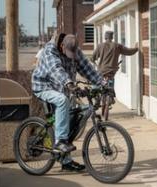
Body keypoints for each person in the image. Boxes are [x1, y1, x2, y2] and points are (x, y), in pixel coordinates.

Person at [32, 33, 107, 172]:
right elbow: (56, 70)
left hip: (64, 89)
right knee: (62, 101)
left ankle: (65, 161)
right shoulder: (50, 50)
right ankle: (60, 142)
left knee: (72, 123)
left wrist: (103, 84)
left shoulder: (75, 50)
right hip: (44, 87)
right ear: (62, 46)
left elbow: (88, 69)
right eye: (68, 53)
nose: (70, 56)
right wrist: (69, 83)